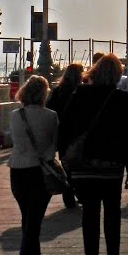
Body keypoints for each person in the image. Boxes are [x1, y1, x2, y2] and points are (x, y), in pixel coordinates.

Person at [59, 53, 128, 255]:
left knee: (90, 216)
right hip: (111, 167)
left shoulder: (79, 95)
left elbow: (65, 128)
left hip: (83, 167)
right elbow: (127, 135)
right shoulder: (120, 98)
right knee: (112, 214)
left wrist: (65, 158)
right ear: (116, 75)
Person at [9, 75, 59, 255]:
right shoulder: (50, 116)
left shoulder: (14, 115)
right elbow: (53, 146)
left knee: (27, 216)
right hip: (39, 172)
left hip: (17, 170)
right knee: (34, 218)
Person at [47, 62, 84, 208]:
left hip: (62, 134)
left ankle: (68, 196)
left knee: (66, 165)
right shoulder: (81, 92)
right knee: (78, 165)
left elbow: (50, 110)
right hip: (77, 134)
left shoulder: (58, 91)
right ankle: (79, 193)